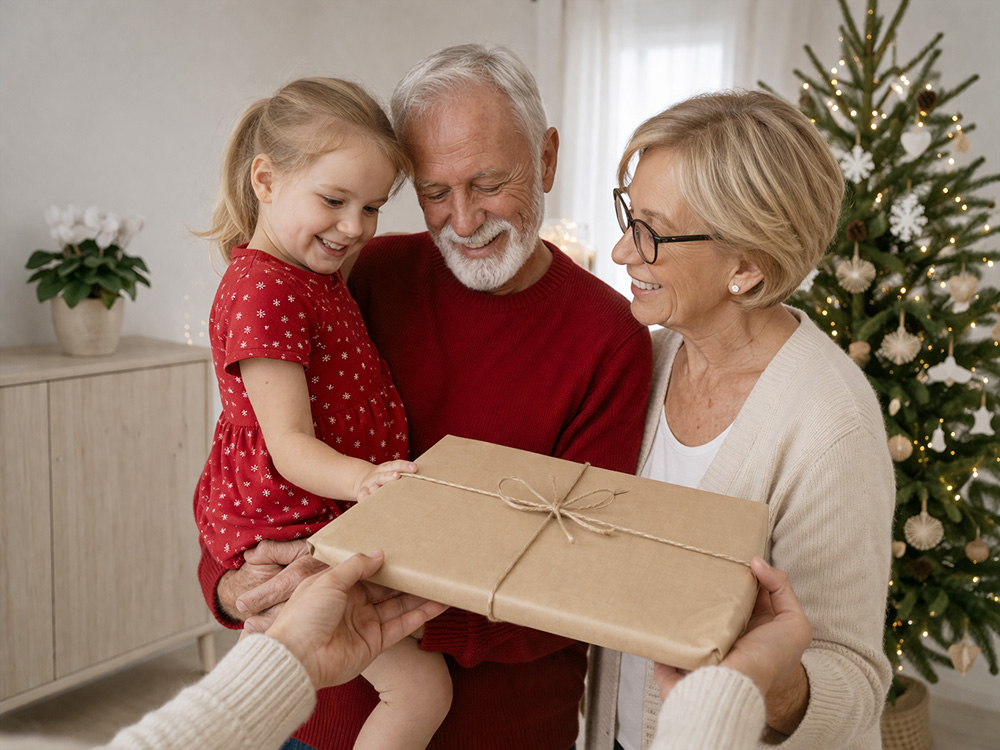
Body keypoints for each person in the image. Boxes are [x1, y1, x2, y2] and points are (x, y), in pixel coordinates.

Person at [197, 44, 654, 750]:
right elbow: (254, 460)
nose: (464, 220)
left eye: (489, 183)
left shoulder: (610, 338)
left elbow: (577, 580)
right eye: (435, 193)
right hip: (315, 722)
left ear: (549, 160)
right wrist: (234, 585)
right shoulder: (359, 276)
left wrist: (363, 601)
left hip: (502, 732)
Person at [583, 90, 895, 750]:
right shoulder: (644, 359)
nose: (620, 252)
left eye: (652, 232)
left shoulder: (830, 421)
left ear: (747, 269)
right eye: (627, 216)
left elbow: (856, 682)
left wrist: (757, 675)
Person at [192, 77, 451, 750]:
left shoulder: (310, 275)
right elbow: (287, 444)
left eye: (372, 207)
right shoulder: (266, 289)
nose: (356, 227)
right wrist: (365, 480)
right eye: (334, 201)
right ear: (266, 179)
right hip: (292, 518)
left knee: (264, 690)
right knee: (417, 689)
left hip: (313, 512)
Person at [1, 554, 810, 750]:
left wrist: (286, 657)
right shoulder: (340, 277)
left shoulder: (605, 333)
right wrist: (725, 692)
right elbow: (242, 478)